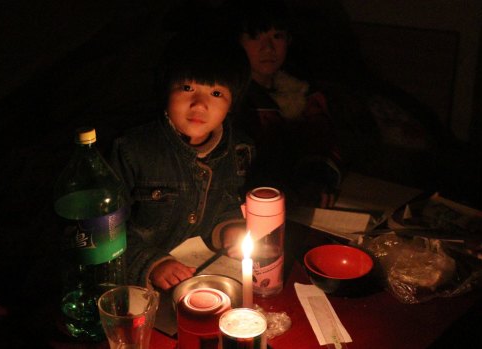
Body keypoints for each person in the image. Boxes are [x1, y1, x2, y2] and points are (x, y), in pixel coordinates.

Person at [110, 32, 253, 290]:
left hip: (201, 273)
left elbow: (228, 198)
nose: (199, 104)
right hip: (137, 281)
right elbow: (105, 226)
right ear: (166, 89)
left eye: (217, 93)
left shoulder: (238, 149)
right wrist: (151, 263)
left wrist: (230, 228)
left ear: (232, 104)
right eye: (187, 88)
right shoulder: (133, 149)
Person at [226, 0, 343, 209]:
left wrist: (317, 179)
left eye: (277, 36)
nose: (268, 48)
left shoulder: (302, 93)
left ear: (288, 40)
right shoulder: (232, 102)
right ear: (237, 42)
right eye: (255, 37)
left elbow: (323, 142)